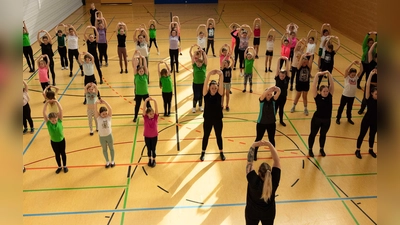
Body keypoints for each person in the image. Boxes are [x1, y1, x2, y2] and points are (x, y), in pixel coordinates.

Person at [245, 140, 281, 225]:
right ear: (270, 172)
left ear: (258, 172)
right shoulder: (274, 181)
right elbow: (277, 161)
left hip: (252, 213)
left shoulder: (253, 180)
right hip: (268, 214)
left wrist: (254, 145)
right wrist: (270, 145)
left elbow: (249, 162)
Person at [200, 70, 225, 161]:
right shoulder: (206, 95)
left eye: (215, 88)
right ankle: (203, 152)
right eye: (212, 88)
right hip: (208, 119)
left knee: (219, 136)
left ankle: (221, 152)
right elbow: (205, 83)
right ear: (209, 88)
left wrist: (221, 75)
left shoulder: (219, 94)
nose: (214, 89)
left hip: (218, 119)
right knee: (206, 136)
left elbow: (221, 84)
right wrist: (209, 74)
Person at [308, 71, 334, 157]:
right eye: (324, 91)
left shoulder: (330, 96)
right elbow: (314, 85)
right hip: (317, 119)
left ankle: (321, 148)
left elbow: (332, 85)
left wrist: (329, 74)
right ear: (320, 91)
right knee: (313, 134)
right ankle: (310, 149)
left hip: (326, 120)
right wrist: (317, 75)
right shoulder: (317, 97)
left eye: (327, 91)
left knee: (323, 134)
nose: (326, 92)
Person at [253, 85, 281, 160]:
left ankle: (273, 153)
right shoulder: (262, 101)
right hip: (261, 123)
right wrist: (269, 89)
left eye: (270, 95)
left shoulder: (273, 100)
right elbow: (263, 94)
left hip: (271, 124)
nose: (269, 96)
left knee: (272, 139)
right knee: (258, 139)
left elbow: (279, 92)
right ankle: (254, 153)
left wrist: (276, 88)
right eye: (267, 94)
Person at [355, 70, 377, 159]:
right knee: (362, 134)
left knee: (372, 135)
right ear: (372, 94)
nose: (378, 95)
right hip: (367, 119)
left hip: (375, 120)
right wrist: (371, 74)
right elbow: (368, 86)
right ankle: (357, 149)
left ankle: (370, 149)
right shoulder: (368, 98)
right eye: (376, 94)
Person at [43, 100, 68, 174]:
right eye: (52, 121)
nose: (54, 121)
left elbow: (61, 110)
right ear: (50, 120)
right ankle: (59, 166)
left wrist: (57, 102)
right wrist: (46, 103)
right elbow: (44, 112)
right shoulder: (48, 123)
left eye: (55, 120)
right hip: (54, 142)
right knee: (57, 154)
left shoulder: (60, 121)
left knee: (63, 153)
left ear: (57, 118)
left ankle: (65, 166)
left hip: (61, 140)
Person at [95, 99, 116, 168]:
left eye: (106, 113)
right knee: (104, 150)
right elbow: (95, 110)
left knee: (111, 148)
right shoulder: (98, 118)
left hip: (109, 136)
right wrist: (96, 103)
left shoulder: (109, 117)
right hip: (102, 137)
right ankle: (107, 161)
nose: (105, 115)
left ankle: (112, 161)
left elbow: (110, 109)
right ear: (100, 114)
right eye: (103, 114)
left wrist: (105, 102)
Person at [358, 41, 378, 114]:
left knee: (375, 99)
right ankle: (362, 109)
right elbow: (369, 52)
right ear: (375, 58)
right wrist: (375, 44)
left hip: (377, 85)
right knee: (365, 98)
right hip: (370, 84)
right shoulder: (372, 63)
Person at [133, 53, 151, 122]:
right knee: (137, 105)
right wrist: (135, 58)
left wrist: (143, 58)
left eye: (142, 71)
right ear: (138, 72)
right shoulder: (136, 76)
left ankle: (150, 115)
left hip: (145, 93)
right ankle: (135, 117)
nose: (141, 72)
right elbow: (135, 67)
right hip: (138, 93)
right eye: (140, 71)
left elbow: (146, 67)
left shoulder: (146, 75)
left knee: (148, 105)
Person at [190, 45, 207, 113]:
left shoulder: (204, 66)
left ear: (201, 63)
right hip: (196, 84)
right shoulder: (194, 66)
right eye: (197, 63)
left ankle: (200, 106)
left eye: (200, 63)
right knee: (196, 95)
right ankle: (194, 107)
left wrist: (203, 52)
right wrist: (196, 52)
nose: (198, 64)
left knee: (201, 95)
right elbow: (193, 58)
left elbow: (205, 59)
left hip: (203, 83)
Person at [142, 97, 159, 167]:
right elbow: (143, 110)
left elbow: (156, 110)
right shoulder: (145, 118)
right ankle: (149, 159)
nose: (152, 115)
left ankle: (154, 160)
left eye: (152, 113)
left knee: (153, 149)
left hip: (154, 136)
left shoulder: (155, 117)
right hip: (147, 136)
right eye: (150, 114)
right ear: (147, 114)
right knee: (149, 149)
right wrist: (145, 101)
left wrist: (155, 101)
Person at [275, 57, 290, 126]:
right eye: (281, 76)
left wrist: (286, 60)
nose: (281, 77)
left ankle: (281, 120)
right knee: (275, 109)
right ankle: (273, 120)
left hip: (283, 96)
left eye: (283, 76)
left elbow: (287, 69)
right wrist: (279, 59)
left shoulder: (287, 78)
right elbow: (277, 68)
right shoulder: (277, 78)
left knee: (281, 109)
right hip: (276, 96)